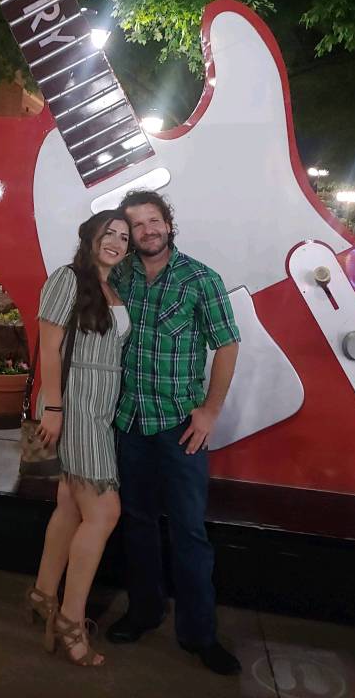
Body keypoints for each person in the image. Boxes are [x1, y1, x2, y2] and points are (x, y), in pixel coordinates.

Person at [105, 189, 241, 676]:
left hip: (181, 426)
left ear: (168, 223)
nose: (147, 230)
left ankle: (200, 634)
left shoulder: (201, 279)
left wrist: (210, 410)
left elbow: (227, 345)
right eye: (137, 225)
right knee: (137, 523)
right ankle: (143, 611)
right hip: (129, 422)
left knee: (188, 530)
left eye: (153, 220)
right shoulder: (118, 276)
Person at [25, 210, 131, 667]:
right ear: (90, 235)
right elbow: (49, 347)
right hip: (74, 406)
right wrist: (54, 407)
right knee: (104, 511)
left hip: (99, 409)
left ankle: (42, 594)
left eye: (124, 237)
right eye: (110, 233)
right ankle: (70, 619)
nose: (117, 242)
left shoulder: (112, 288)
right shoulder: (67, 279)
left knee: (70, 504)